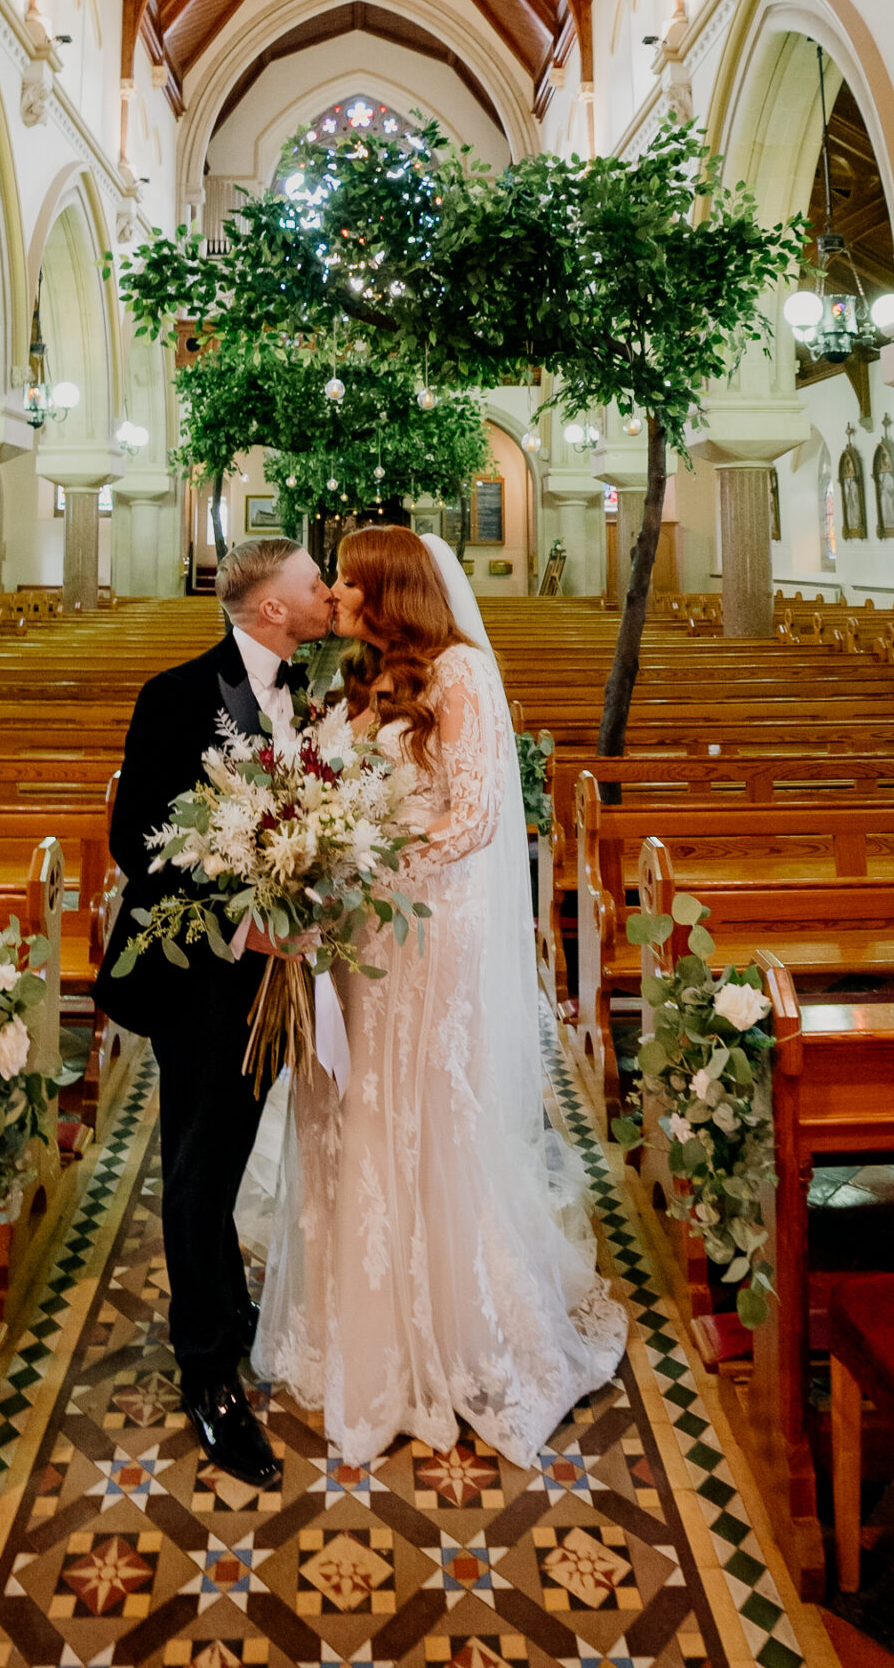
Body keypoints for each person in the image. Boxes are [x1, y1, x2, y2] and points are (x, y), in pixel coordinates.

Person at [254, 524, 625, 1466]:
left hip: (425, 933)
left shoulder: (458, 674)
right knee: (351, 1104)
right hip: (358, 931)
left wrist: (368, 864)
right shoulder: (362, 681)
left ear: (390, 589)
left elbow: (478, 816)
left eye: (347, 580)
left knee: (418, 1104)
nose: (333, 594)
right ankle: (356, 1325)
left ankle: (456, 1328)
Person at [93, 536, 334, 1488]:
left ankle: (225, 1305)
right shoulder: (176, 694)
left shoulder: (310, 698)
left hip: (277, 976)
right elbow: (136, 845)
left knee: (222, 1150)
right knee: (198, 1167)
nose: (325, 595)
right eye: (312, 583)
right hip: (202, 976)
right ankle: (207, 1376)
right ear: (269, 607)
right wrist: (244, 928)